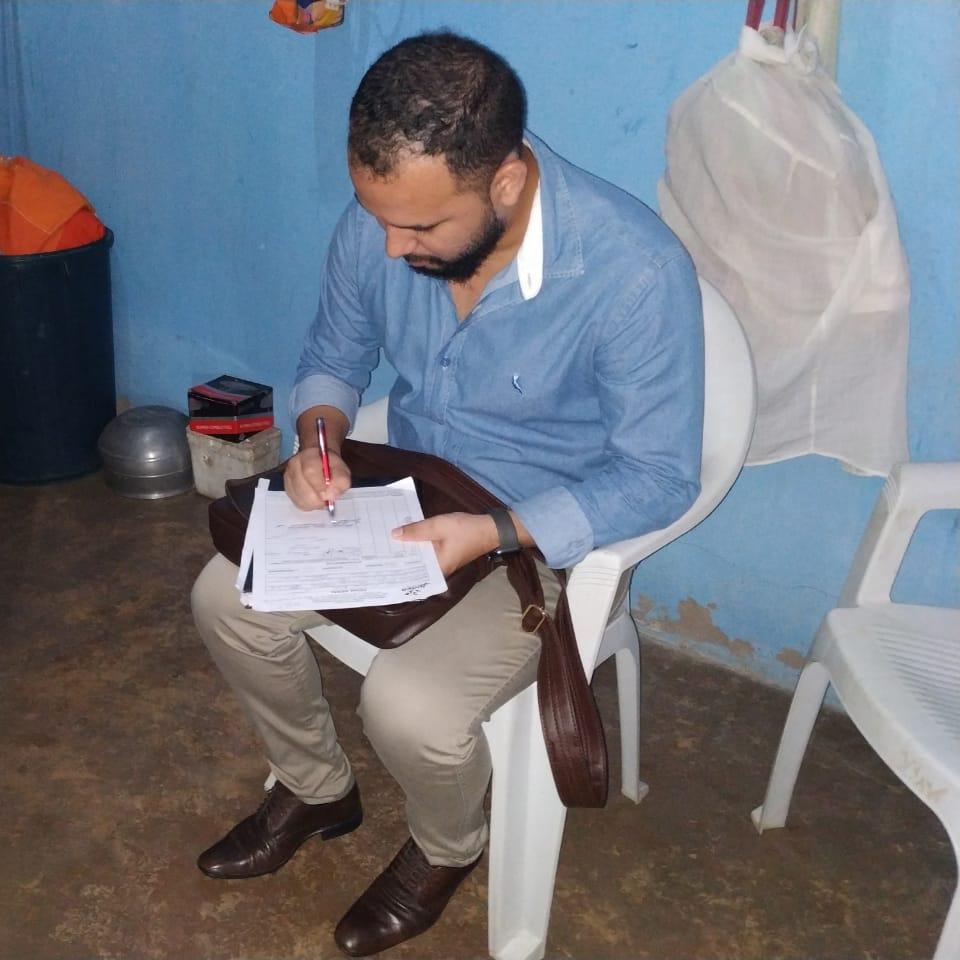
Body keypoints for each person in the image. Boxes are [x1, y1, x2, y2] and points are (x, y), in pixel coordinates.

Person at [191, 31, 705, 956]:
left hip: (535, 547)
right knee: (223, 601)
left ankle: (447, 844)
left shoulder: (633, 273)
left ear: (506, 183)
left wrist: (496, 529)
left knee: (409, 710)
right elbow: (334, 357)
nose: (391, 245)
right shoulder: (386, 219)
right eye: (377, 216)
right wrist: (320, 441)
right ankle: (314, 786)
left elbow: (660, 475)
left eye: (421, 229)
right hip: (405, 498)